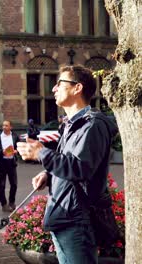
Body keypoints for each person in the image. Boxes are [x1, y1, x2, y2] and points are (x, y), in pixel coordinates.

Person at [17, 65, 118, 264]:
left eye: (59, 84)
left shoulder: (93, 125)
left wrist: (41, 153)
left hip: (77, 219)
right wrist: (48, 173)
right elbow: (69, 161)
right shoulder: (71, 124)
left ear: (77, 88)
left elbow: (81, 168)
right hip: (64, 217)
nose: (53, 89)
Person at [0, 120, 20, 212]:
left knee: (14, 184)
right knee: (2, 185)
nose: (4, 127)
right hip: (2, 162)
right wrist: (1, 152)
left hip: (11, 162)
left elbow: (19, 146)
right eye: (3, 125)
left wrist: (17, 151)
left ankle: (12, 202)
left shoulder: (15, 136)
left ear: (11, 127)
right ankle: (3, 204)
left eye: (6, 125)